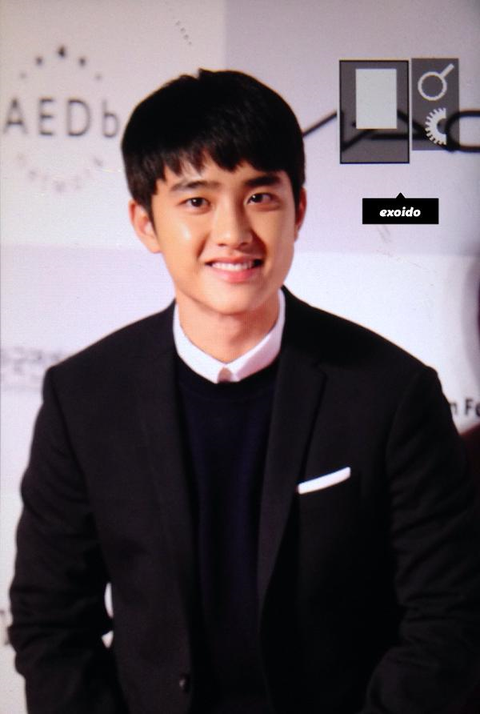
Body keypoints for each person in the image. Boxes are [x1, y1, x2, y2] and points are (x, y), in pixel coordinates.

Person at [9, 69, 480, 714]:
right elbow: (50, 622)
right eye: (196, 201)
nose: (233, 233)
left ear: (298, 210)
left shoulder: (391, 395)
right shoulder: (84, 398)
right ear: (145, 222)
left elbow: (449, 619)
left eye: (259, 196)